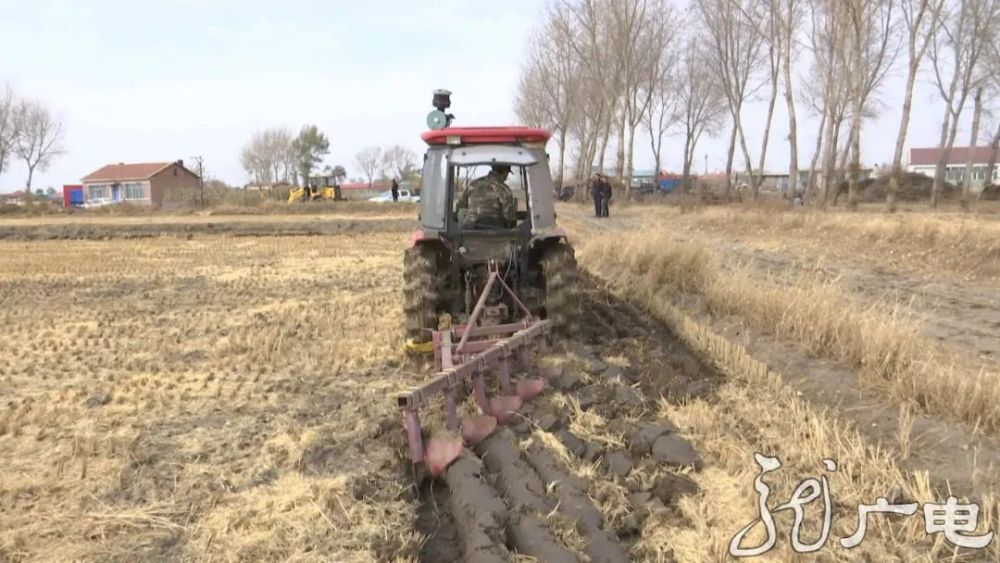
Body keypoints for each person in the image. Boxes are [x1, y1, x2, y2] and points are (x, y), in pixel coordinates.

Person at [456, 164, 515, 229]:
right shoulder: (505, 189)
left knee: (462, 212)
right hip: (495, 228)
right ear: (505, 173)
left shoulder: (474, 183)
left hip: (471, 226)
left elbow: (462, 201)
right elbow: (509, 217)